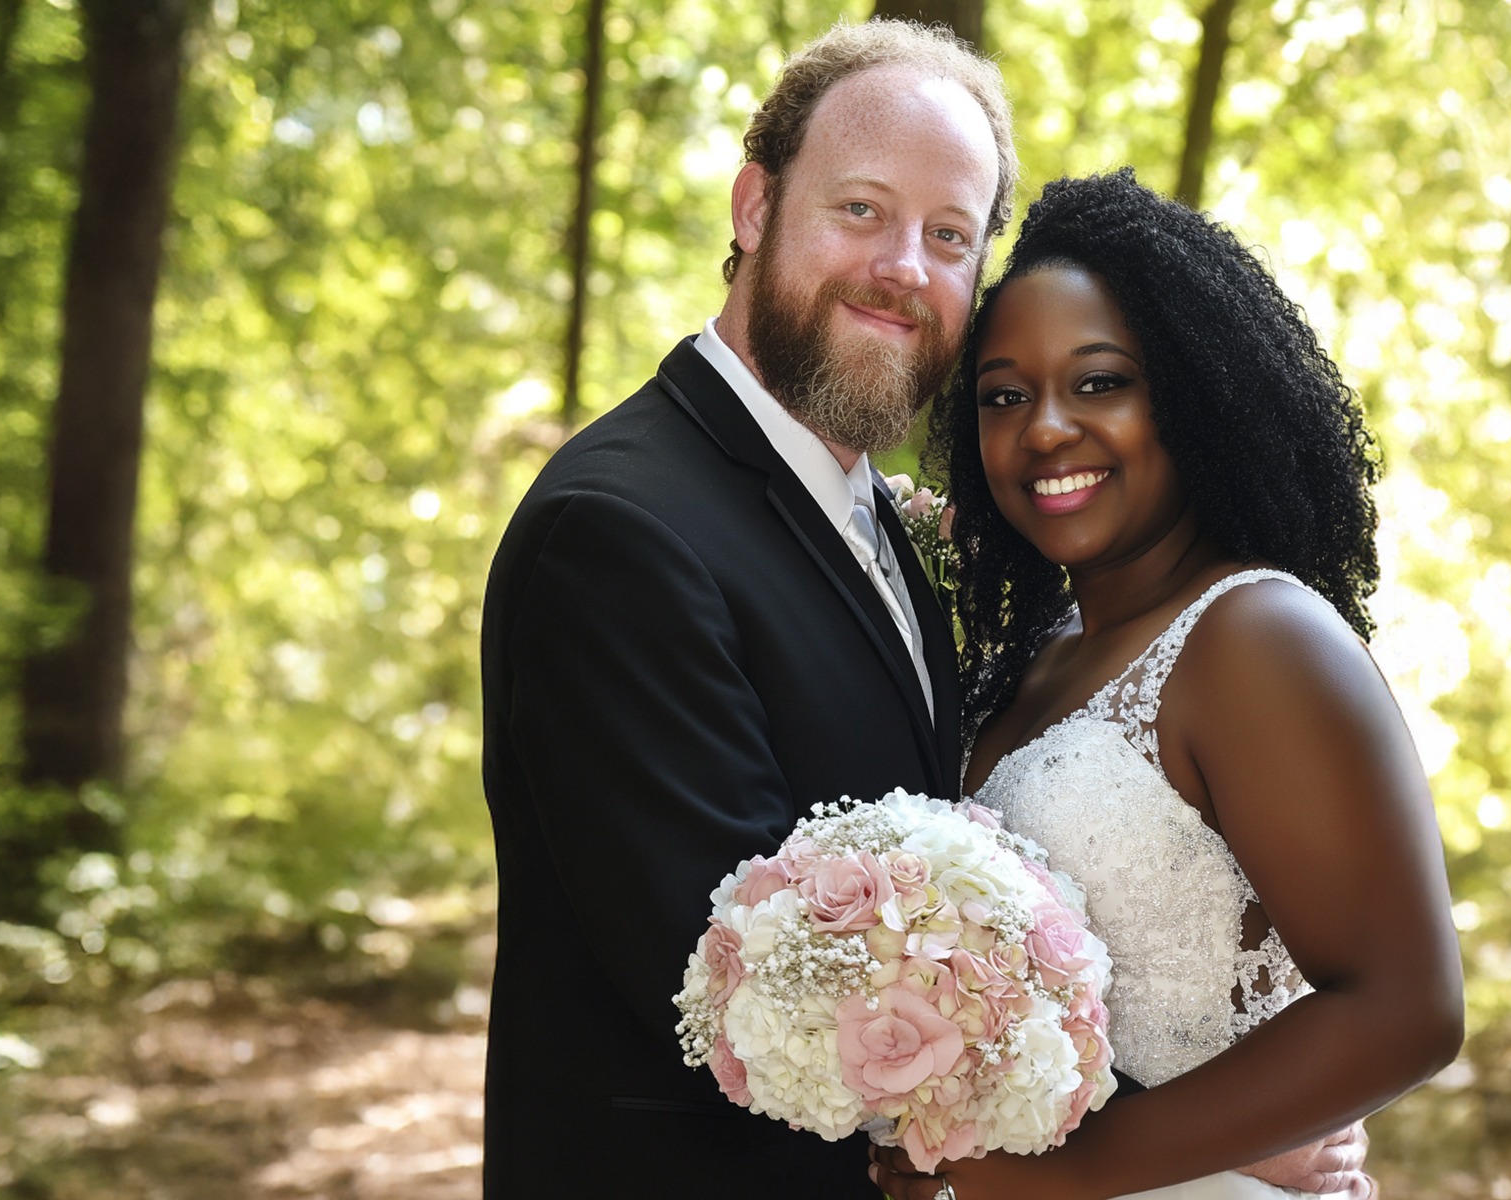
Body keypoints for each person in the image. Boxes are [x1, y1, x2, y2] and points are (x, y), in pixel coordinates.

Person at [477, 24, 1367, 1199]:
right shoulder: (621, 529)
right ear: (755, 207)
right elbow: (744, 979)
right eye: (861, 209)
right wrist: (1201, 1126)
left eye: (950, 235)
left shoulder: (882, 523)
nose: (904, 266)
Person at [869, 171, 1464, 1200]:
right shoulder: (1036, 656)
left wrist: (1059, 1174)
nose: (1044, 429)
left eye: (1100, 383)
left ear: (1192, 400)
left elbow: (1404, 1012)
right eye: (1005, 396)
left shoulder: (1257, 637)